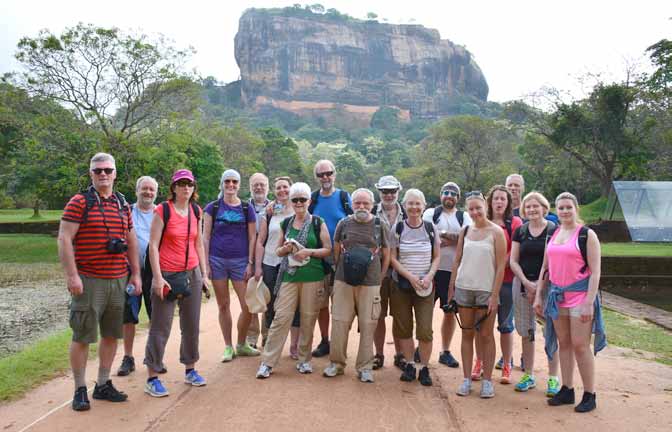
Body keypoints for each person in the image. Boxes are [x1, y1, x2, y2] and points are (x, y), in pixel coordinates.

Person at [58, 152, 142, 411]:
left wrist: (136, 274)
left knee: (111, 334)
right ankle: (80, 388)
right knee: (82, 334)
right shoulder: (79, 202)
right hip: (89, 279)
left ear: (115, 173)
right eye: (98, 171)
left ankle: (103, 384)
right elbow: (64, 238)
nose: (103, 174)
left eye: (107, 170)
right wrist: (72, 275)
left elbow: (131, 240)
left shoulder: (122, 204)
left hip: (117, 279)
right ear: (91, 174)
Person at [534, 192, 605, 413]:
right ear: (556, 210)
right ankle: (567, 388)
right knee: (563, 343)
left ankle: (589, 393)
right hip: (557, 297)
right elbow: (545, 269)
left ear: (576, 209)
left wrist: (589, 302)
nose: (564, 211)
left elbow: (595, 273)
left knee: (581, 345)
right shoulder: (554, 234)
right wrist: (538, 295)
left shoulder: (586, 235)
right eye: (561, 208)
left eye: (568, 207)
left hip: (579, 296)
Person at [143, 169, 210, 397]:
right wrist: (158, 277)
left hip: (192, 272)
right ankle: (152, 376)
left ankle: (190, 369)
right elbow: (153, 245)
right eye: (181, 184)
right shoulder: (163, 210)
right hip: (168, 274)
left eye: (189, 184)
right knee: (161, 327)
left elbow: (199, 244)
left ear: (194, 188)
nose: (185, 188)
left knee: (191, 324)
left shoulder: (196, 211)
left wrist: (204, 274)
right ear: (173, 187)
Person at [256, 182, 332, 378]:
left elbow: (328, 249)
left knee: (308, 318)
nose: (299, 203)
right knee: (281, 317)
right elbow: (278, 250)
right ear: (291, 201)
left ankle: (304, 359)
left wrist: (308, 252)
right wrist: (288, 248)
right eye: (295, 200)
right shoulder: (286, 223)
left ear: (309, 201)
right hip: (290, 275)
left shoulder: (318, 222)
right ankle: (268, 362)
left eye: (302, 199)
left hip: (313, 277)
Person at [323, 188, 390, 383]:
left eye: (365, 203)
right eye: (357, 203)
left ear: (372, 205)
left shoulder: (380, 225)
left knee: (369, 324)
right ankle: (337, 363)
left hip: (371, 283)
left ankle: (365, 367)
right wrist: (339, 270)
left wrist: (381, 275)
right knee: (339, 322)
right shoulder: (344, 223)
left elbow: (387, 253)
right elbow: (336, 248)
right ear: (352, 205)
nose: (361, 207)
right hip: (344, 280)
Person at [449, 191, 507, 398]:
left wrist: (494, 294)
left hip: (486, 289)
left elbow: (501, 265)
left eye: (478, 208)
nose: (475, 212)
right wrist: (451, 288)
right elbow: (457, 260)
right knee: (467, 333)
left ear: (485, 208)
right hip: (464, 288)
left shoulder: (496, 232)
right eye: (471, 209)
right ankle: (466, 379)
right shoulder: (466, 231)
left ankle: (487, 381)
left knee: (486, 335)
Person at [204, 169, 259, 361]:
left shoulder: (246, 208)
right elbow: (206, 236)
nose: (231, 185)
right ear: (222, 183)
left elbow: (253, 237)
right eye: (227, 181)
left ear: (239, 184)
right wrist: (206, 265)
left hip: (240, 261)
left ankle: (241, 343)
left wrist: (250, 262)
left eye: (234, 182)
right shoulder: (212, 207)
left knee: (248, 306)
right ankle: (228, 346)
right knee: (223, 305)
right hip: (217, 260)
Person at [509, 192, 560, 396]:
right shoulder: (520, 231)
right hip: (522, 285)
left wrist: (539, 286)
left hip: (547, 286)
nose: (532, 209)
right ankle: (528, 374)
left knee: (551, 331)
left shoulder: (553, 230)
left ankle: (553, 378)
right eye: (528, 207)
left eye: (535, 206)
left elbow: (553, 261)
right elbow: (513, 260)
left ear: (544, 207)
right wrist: (526, 283)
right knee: (526, 331)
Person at [471, 185, 523, 384]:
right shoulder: (482, 222)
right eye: (496, 199)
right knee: (481, 325)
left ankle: (507, 364)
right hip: (484, 281)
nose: (499, 202)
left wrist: (501, 263)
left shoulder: (515, 223)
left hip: (507, 281)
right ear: (489, 202)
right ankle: (480, 361)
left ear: (508, 202)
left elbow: (516, 251)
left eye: (503, 199)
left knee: (505, 325)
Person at [389, 189, 441, 386]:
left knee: (425, 329)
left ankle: (424, 367)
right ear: (404, 205)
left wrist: (429, 276)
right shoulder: (398, 228)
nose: (414, 207)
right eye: (410, 203)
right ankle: (410, 364)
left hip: (425, 286)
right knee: (404, 327)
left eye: (418, 203)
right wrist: (410, 277)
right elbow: (393, 257)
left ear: (424, 205)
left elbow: (437, 256)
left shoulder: (430, 228)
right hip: (401, 284)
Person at [422, 182, 471, 369]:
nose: (449, 195)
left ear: (458, 198)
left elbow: (467, 237)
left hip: (453, 273)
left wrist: (442, 235)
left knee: (449, 311)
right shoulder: (430, 213)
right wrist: (453, 238)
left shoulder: (463, 216)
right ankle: (422, 347)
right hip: (431, 271)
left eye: (453, 193)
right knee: (424, 311)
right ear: (440, 194)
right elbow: (427, 235)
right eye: (446, 192)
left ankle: (445, 351)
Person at [307, 160, 353, 358]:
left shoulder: (344, 197)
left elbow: (353, 223)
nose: (325, 177)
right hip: (319, 260)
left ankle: (339, 342)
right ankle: (325, 340)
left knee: (341, 304)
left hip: (342, 260)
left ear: (335, 174)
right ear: (316, 177)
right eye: (321, 174)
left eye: (328, 173)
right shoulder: (312, 199)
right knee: (322, 303)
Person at [117, 176, 160, 377]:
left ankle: (153, 357)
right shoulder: (126, 211)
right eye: (144, 189)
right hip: (129, 270)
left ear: (156, 193)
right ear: (136, 190)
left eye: (151, 190)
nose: (148, 193)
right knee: (129, 314)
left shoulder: (160, 213)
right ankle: (128, 357)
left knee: (156, 314)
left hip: (154, 270)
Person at [254, 176, 300, 358]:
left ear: (291, 189)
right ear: (274, 191)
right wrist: (257, 266)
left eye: (285, 187)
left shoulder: (298, 208)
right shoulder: (270, 210)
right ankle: (270, 343)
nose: (282, 191)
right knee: (271, 303)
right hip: (270, 262)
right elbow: (260, 240)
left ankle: (294, 346)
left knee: (295, 304)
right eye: (279, 187)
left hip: (292, 262)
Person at [371, 175, 406, 370]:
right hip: (377, 271)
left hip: (401, 270)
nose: (389, 195)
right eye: (385, 191)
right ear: (379, 192)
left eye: (392, 191)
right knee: (379, 314)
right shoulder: (371, 212)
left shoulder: (408, 213)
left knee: (400, 314)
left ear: (398, 191)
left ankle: (400, 354)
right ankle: (379, 354)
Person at [246, 172, 270, 348]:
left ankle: (268, 337)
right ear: (250, 187)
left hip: (269, 258)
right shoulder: (243, 207)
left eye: (262, 184)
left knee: (268, 299)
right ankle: (251, 339)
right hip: (248, 257)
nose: (259, 187)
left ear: (267, 187)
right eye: (255, 184)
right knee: (252, 298)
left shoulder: (275, 207)